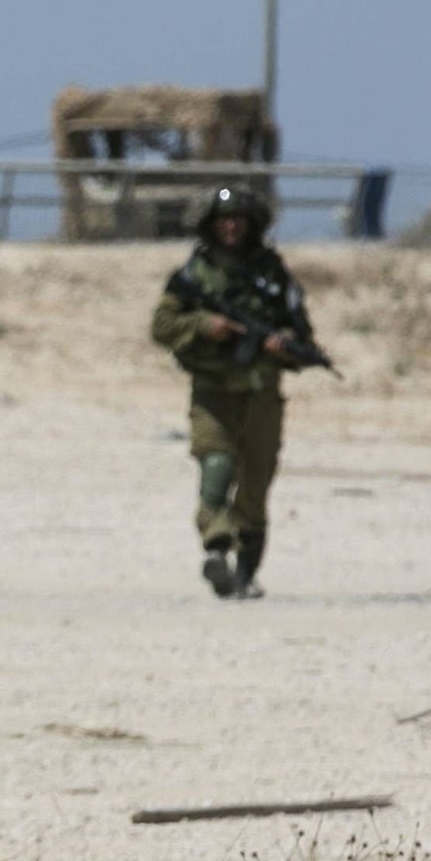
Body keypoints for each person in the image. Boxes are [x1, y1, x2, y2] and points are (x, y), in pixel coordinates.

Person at [150, 184, 321, 598]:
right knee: (216, 467)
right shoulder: (192, 276)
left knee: (256, 483)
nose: (231, 227)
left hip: (261, 393)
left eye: (238, 220)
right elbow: (162, 327)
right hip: (213, 392)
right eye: (224, 220)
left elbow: (302, 338)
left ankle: (246, 571)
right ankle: (216, 547)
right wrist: (206, 326)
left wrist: (280, 346)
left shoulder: (274, 278)